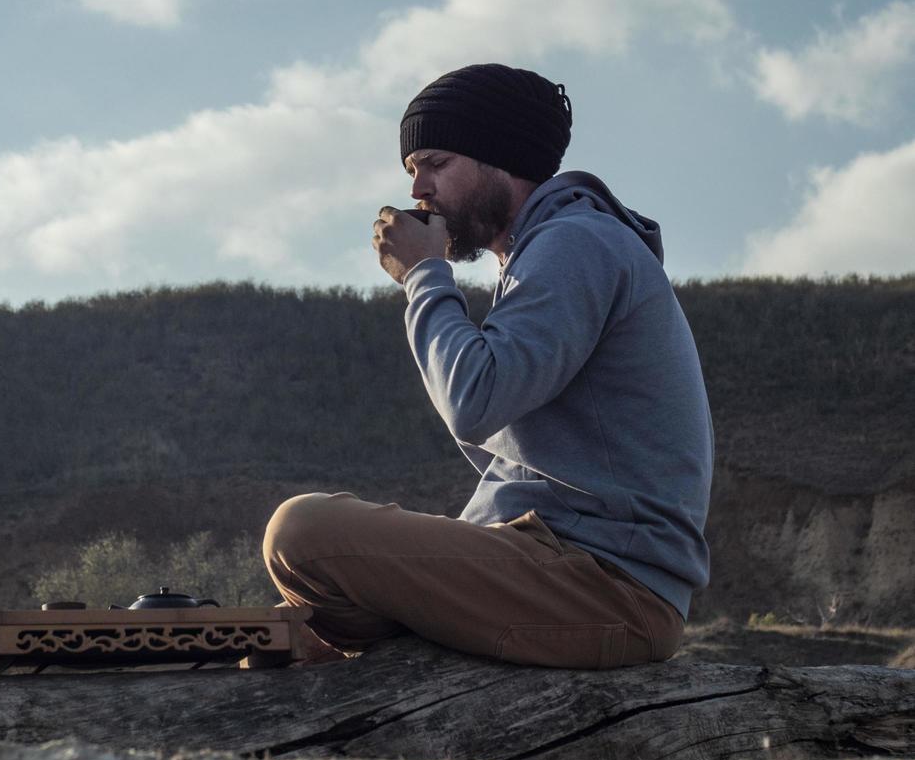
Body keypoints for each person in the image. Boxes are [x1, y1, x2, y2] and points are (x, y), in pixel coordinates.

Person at [263, 63, 713, 669]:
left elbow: (473, 399)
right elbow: (508, 470)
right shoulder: (544, 254)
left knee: (301, 533)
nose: (418, 189)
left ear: (502, 159)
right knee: (300, 633)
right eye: (411, 170)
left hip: (607, 587)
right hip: (559, 567)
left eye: (437, 163)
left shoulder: (575, 242)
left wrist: (424, 275)